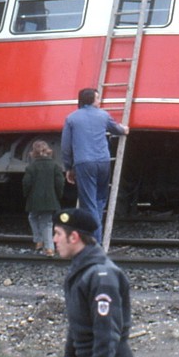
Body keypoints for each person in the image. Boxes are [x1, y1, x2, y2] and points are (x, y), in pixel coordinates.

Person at [54, 208, 134, 357]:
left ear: (74, 237)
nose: (54, 240)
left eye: (58, 234)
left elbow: (106, 334)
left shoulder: (102, 276)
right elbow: (78, 324)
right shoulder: (81, 271)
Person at [61, 88, 128, 242]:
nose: (99, 101)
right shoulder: (103, 115)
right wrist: (124, 130)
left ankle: (94, 241)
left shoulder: (71, 118)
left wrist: (68, 167)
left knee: (88, 203)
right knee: (100, 199)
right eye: (98, 98)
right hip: (104, 162)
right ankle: (96, 230)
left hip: (84, 163)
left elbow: (66, 146)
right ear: (91, 100)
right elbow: (117, 129)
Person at [22, 139, 64, 256]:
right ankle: (49, 248)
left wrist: (27, 195)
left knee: (32, 217)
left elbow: (26, 183)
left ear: (33, 153)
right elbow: (60, 183)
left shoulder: (31, 167)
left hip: (34, 200)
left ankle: (39, 241)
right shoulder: (55, 166)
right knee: (47, 223)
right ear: (49, 151)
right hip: (50, 200)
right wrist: (58, 196)